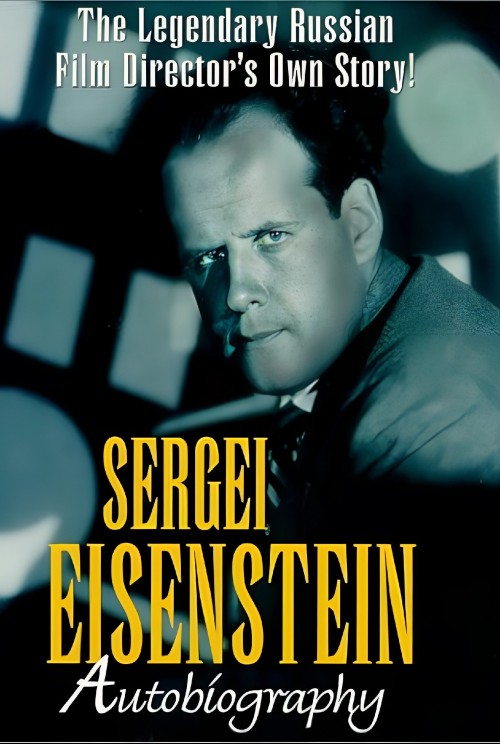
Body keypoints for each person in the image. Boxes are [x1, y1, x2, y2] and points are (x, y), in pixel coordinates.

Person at [122, 43, 500, 739]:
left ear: (357, 224)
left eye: (270, 237)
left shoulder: (425, 424)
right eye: (207, 256)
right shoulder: (379, 345)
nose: (234, 292)